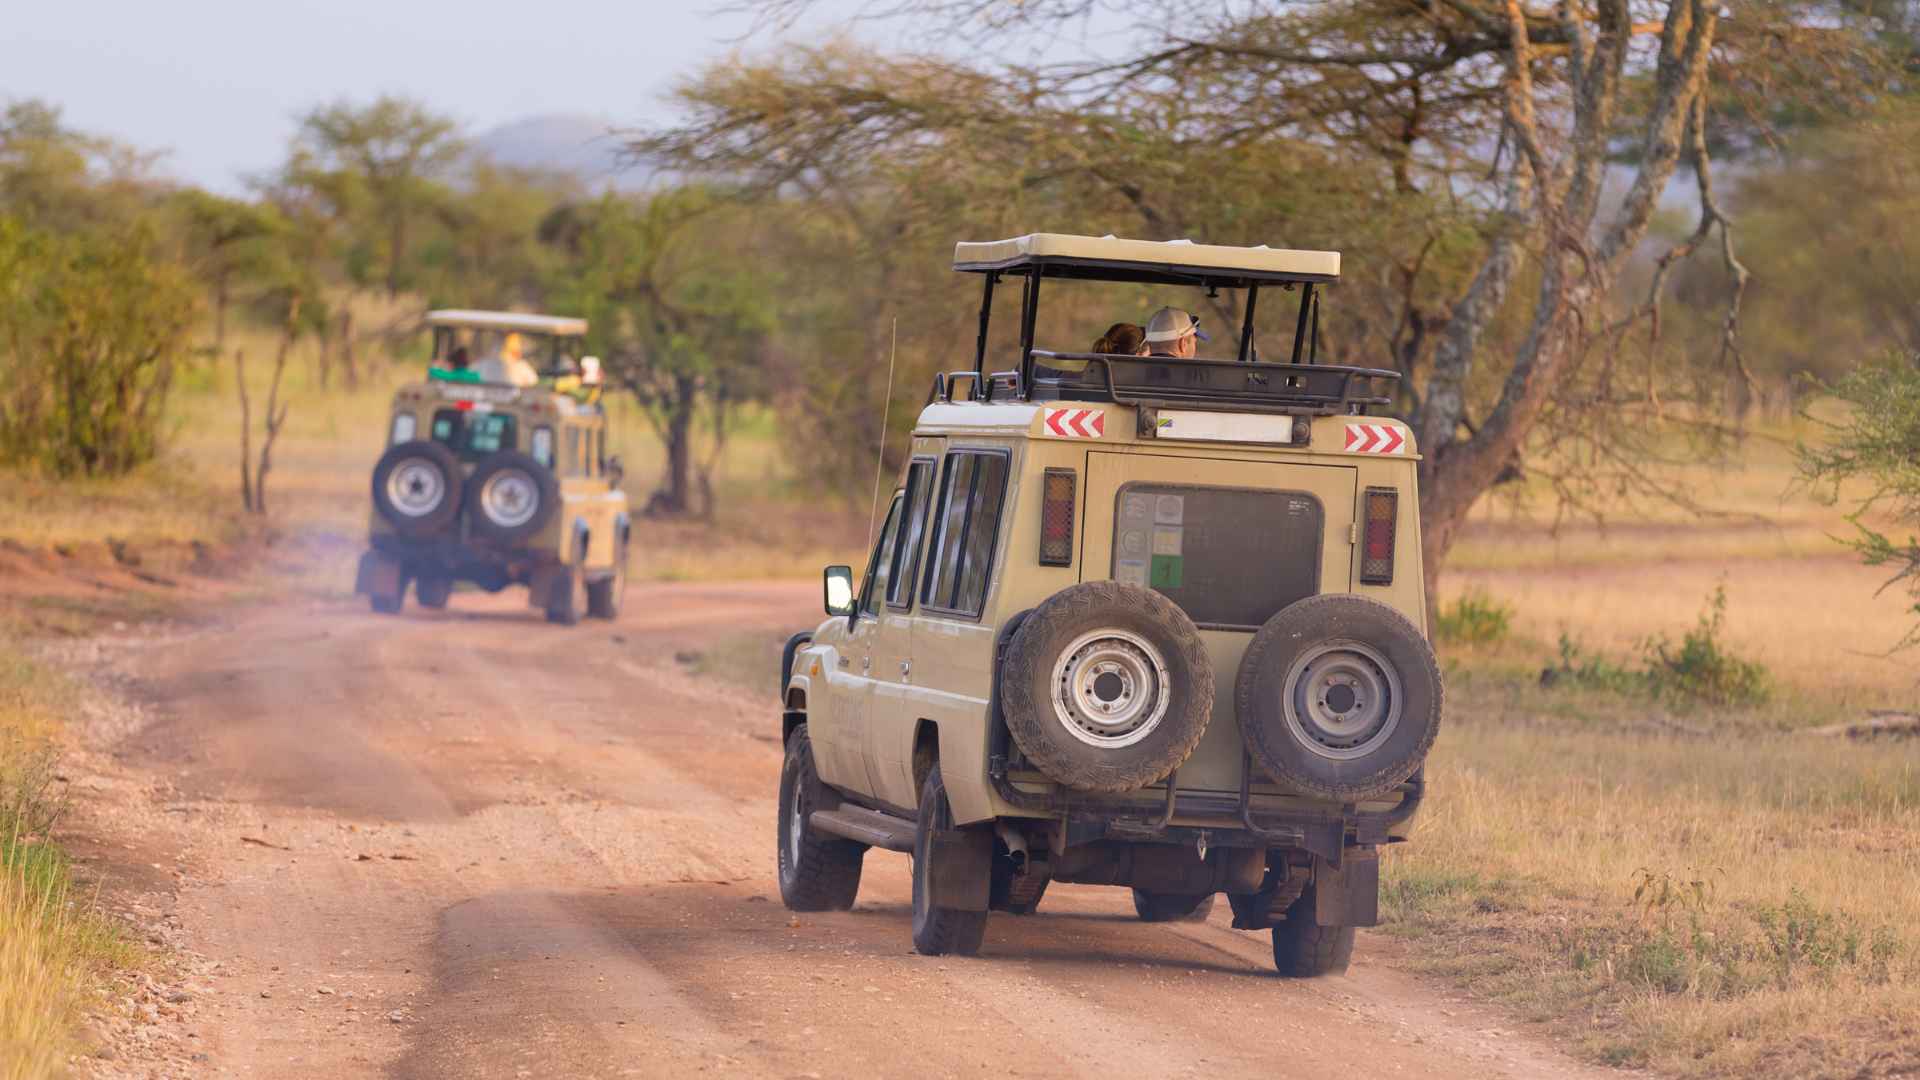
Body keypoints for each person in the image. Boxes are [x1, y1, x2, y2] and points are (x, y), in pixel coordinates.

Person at [1143, 307, 1207, 359]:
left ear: (1149, 344)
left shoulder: (1136, 371)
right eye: (1194, 342)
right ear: (1183, 344)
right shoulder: (1196, 374)